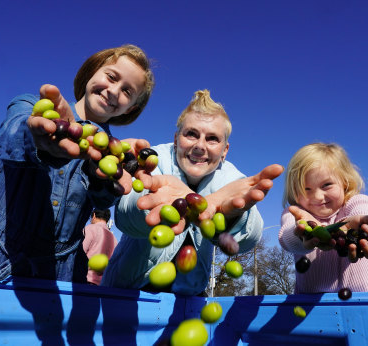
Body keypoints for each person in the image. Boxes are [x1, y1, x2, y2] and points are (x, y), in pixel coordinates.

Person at [0, 44, 155, 283]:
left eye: (127, 91)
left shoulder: (114, 151)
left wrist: (101, 173)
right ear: (91, 72)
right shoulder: (32, 105)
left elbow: (103, 200)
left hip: (61, 273)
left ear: (129, 108)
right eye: (111, 77)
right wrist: (37, 139)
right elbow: (10, 136)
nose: (113, 91)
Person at [101, 90, 284, 296]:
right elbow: (126, 214)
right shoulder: (155, 160)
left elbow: (250, 237)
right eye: (191, 134)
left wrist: (233, 219)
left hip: (188, 298)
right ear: (176, 139)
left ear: (225, 150)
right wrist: (155, 208)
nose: (200, 146)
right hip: (127, 290)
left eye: (212, 139)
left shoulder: (231, 179)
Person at [279, 143, 368, 293]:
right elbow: (287, 238)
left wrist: (364, 228)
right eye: (306, 189)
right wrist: (302, 235)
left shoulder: (356, 201)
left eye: (326, 185)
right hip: (312, 306)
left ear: (344, 182)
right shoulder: (296, 213)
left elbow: (365, 214)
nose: (317, 196)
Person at [82, 209, 118, 285]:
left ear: (94, 215)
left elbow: (80, 253)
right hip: (104, 284)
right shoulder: (114, 239)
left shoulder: (90, 229)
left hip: (86, 280)